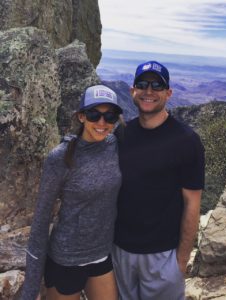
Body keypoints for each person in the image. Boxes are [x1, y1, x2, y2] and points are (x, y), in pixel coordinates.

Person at [113, 61, 205, 300]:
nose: (149, 91)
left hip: (163, 256)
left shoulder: (186, 140)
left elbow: (192, 203)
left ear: (168, 93)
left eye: (157, 85)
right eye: (142, 84)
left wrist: (181, 262)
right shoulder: (121, 134)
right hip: (120, 251)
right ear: (133, 90)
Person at [21, 85, 123, 300]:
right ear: (82, 116)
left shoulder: (114, 145)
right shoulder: (60, 158)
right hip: (66, 260)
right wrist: (30, 291)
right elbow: (41, 222)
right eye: (95, 114)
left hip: (102, 255)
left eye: (110, 116)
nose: (102, 123)